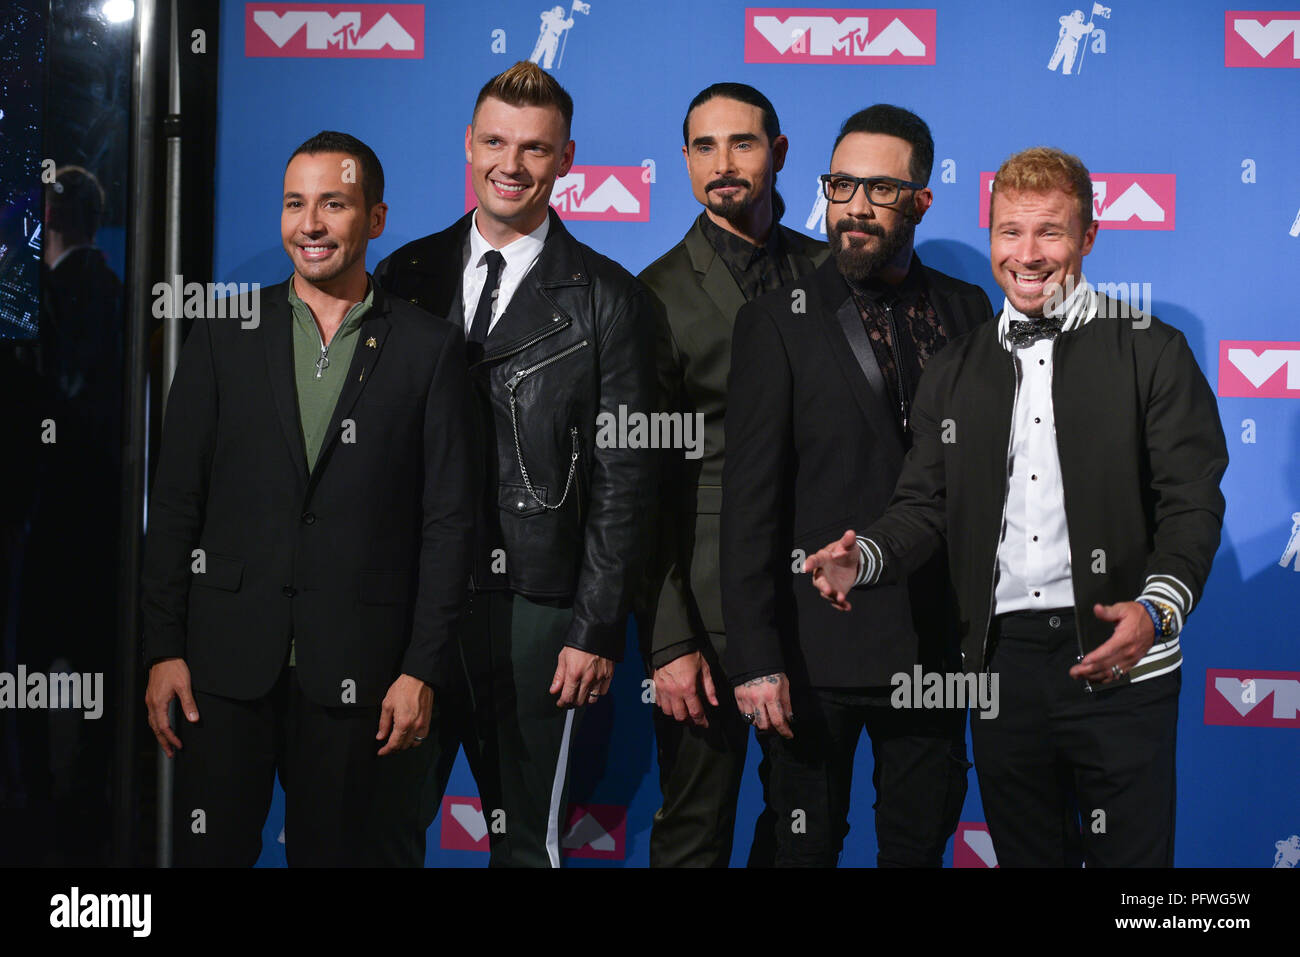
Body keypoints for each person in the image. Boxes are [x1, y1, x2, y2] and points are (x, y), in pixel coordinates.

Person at [806, 146, 1229, 867]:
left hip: (1124, 660)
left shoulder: (1153, 352)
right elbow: (925, 506)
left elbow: (1190, 504)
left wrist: (1155, 611)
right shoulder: (956, 368)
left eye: (1049, 233)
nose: (1027, 255)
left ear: (1088, 237)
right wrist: (865, 558)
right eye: (1009, 232)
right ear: (991, 233)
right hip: (1000, 669)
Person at [141, 131, 477, 866]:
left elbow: (448, 524)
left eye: (334, 202)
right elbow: (172, 505)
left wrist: (421, 668)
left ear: (377, 218)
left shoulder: (428, 350)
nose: (311, 224)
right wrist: (163, 646)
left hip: (362, 678)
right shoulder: (225, 335)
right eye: (296, 204)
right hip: (223, 671)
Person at [374, 61, 657, 868]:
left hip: (541, 608)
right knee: (382, 832)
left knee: (528, 846)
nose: (511, 163)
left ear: (567, 158)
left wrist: (595, 625)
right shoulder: (405, 276)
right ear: (467, 144)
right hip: (415, 601)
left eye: (535, 148)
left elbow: (624, 479)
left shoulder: (610, 298)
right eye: (495, 141)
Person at [721, 105, 991, 867]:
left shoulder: (969, 310)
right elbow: (749, 502)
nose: (855, 207)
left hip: (933, 646)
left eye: (878, 189)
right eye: (841, 185)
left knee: (917, 849)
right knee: (800, 851)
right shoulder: (778, 321)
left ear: (921, 202)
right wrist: (755, 655)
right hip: (813, 653)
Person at [636, 82, 827, 868]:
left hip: (818, 604)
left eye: (742, 143)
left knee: (804, 828)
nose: (723, 164)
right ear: (683, 160)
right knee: (694, 829)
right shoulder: (650, 294)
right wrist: (667, 638)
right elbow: (638, 489)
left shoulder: (831, 272)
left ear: (778, 154)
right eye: (704, 147)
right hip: (703, 612)